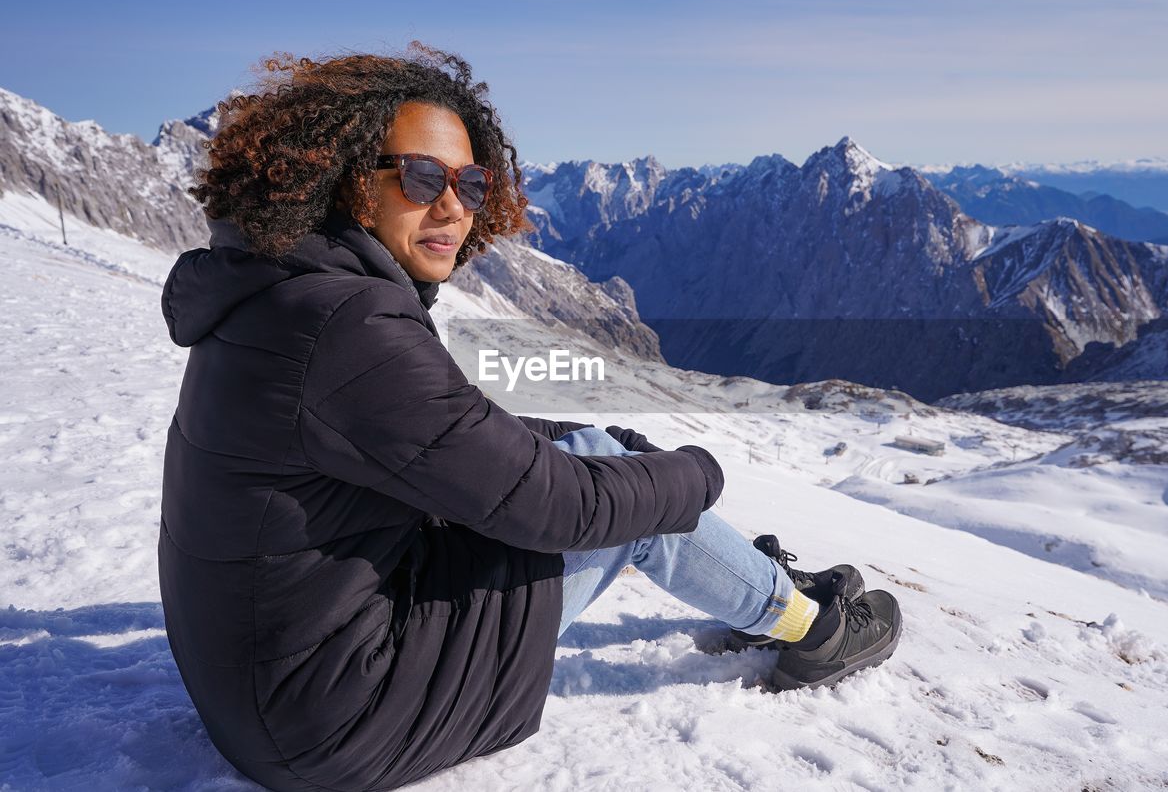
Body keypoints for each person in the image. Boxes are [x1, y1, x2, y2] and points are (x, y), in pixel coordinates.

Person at [158, 40, 901, 792]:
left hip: (264, 689)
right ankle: (815, 630)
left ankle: (757, 587)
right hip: (335, 717)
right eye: (422, 177)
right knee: (619, 497)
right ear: (354, 181)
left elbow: (450, 431)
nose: (452, 205)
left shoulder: (290, 289)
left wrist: (613, 449)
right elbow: (562, 509)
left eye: (471, 182)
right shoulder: (348, 323)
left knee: (600, 458)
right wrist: (694, 475)